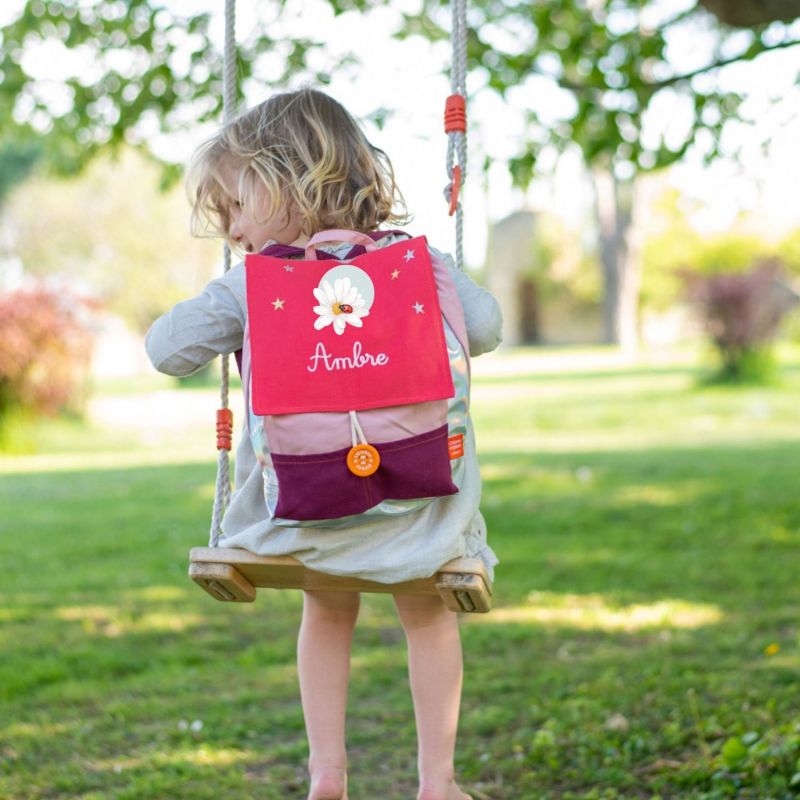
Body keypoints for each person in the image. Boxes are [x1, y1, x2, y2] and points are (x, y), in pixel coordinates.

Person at [146, 87, 502, 800]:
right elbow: (487, 330)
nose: (234, 231)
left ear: (286, 181)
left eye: (237, 207)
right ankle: (439, 783)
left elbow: (165, 350)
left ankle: (327, 776)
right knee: (427, 615)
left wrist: (237, 297)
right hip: (418, 521)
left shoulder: (256, 284)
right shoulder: (418, 263)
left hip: (310, 519)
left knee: (326, 607)